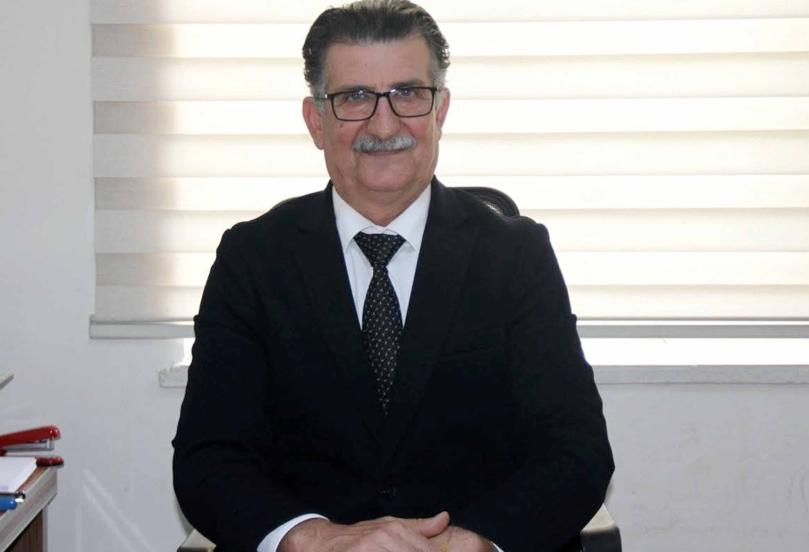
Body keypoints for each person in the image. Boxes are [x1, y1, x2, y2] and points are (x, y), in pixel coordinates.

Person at [172, 1, 614, 551]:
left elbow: (576, 450)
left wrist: (472, 542)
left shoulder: (515, 255)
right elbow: (208, 458)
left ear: (440, 110)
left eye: (407, 93)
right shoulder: (253, 260)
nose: (384, 125)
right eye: (355, 97)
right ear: (315, 121)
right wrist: (314, 539)